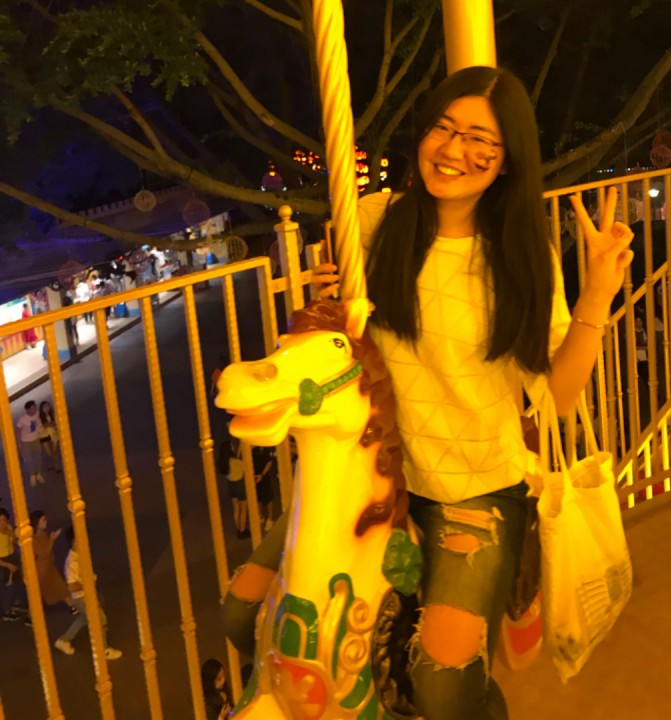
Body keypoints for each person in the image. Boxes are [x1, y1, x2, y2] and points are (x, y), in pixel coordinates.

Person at [226, 66, 633, 720]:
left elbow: (557, 398)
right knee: (241, 611)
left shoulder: (522, 253)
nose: (454, 149)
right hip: (376, 475)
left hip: (475, 486)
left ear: (506, 159)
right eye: (444, 128)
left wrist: (597, 294)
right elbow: (342, 343)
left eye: (480, 140)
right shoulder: (373, 221)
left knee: (443, 685)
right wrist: (329, 300)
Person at [54, 525, 122, 659]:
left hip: (84, 595)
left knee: (84, 618)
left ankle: (64, 640)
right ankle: (103, 650)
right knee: (99, 619)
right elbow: (72, 586)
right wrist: (88, 585)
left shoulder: (78, 555)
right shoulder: (73, 562)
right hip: (82, 597)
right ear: (74, 541)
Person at [28, 511, 73, 610]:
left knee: (60, 587)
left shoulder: (42, 534)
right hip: (42, 570)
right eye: (43, 520)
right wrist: (52, 540)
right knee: (46, 591)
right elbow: (43, 552)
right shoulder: (33, 539)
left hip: (49, 567)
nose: (46, 522)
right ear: (37, 523)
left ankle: (72, 606)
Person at [0, 507, 30, 624]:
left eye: (4, 520)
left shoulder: (8, 530)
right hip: (3, 562)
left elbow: (15, 542)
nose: (2, 523)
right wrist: (8, 565)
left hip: (12, 557)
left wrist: (11, 533)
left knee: (18, 582)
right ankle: (7, 611)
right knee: (7, 586)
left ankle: (18, 603)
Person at [216, 433, 249, 537]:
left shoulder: (223, 462)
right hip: (239, 484)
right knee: (243, 508)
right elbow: (245, 469)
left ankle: (238, 527)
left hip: (230, 485)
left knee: (236, 508)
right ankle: (243, 530)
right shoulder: (236, 462)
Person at [16, 400, 45, 487]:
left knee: (38, 457)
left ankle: (38, 474)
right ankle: (32, 476)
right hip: (26, 442)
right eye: (33, 408)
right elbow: (18, 430)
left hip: (36, 439)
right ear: (27, 410)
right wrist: (18, 443)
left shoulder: (37, 414)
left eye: (35, 407)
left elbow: (40, 422)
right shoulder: (22, 419)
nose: (35, 409)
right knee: (29, 460)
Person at [38, 401, 62, 474]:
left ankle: (57, 467)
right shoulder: (40, 418)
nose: (46, 408)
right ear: (41, 409)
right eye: (44, 407)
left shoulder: (54, 414)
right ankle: (53, 465)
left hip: (54, 435)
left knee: (55, 451)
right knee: (49, 453)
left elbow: (58, 423)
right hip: (45, 437)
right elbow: (39, 429)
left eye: (47, 406)